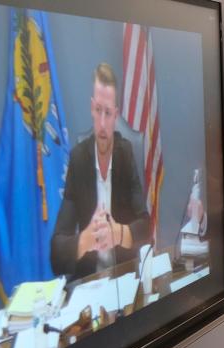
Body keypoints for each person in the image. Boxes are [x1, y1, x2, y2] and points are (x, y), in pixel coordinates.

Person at [51, 63, 150, 280]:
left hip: (125, 278)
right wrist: (85, 240)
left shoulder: (125, 154)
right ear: (91, 108)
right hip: (89, 282)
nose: (103, 123)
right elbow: (56, 253)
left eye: (108, 113)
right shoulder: (78, 159)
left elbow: (146, 227)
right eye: (98, 111)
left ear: (116, 115)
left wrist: (119, 234)